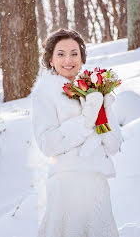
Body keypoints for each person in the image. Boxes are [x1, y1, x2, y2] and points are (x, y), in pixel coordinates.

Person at [31, 28, 123, 237]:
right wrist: (84, 121)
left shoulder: (94, 88)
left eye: (74, 53)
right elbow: (47, 144)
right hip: (68, 181)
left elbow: (113, 145)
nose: (68, 60)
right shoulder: (45, 93)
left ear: (82, 58)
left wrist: (103, 112)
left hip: (97, 181)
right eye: (60, 54)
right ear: (50, 60)